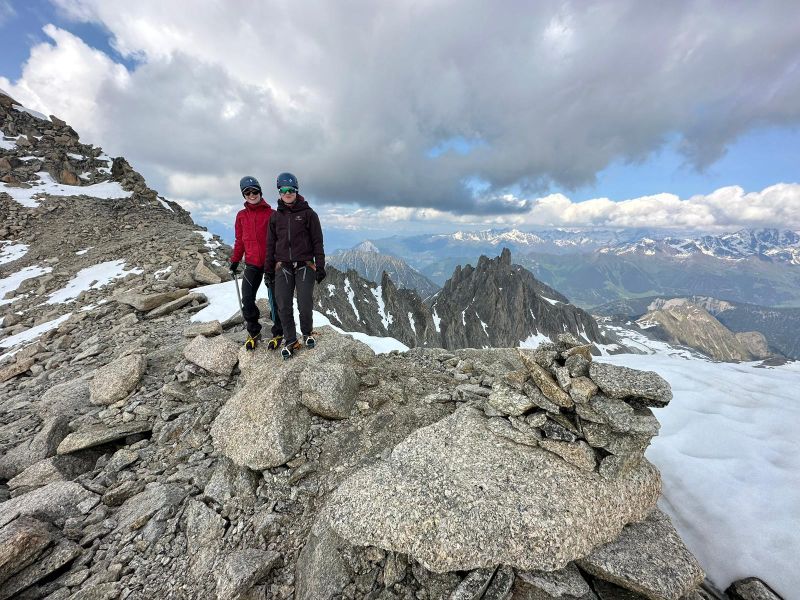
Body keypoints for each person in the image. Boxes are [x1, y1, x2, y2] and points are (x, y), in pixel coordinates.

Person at [265, 172, 326, 359]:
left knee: (304, 303)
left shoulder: (309, 214)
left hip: (304, 264)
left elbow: (317, 242)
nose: (287, 193)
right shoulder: (275, 217)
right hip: (282, 265)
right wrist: (268, 270)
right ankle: (290, 339)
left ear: (296, 190)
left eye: (291, 189)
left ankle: (307, 333)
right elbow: (270, 245)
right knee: (283, 305)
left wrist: (320, 266)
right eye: (283, 190)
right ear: (279, 192)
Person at [229, 175, 283, 350]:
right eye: (248, 193)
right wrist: (235, 260)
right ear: (244, 195)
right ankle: (253, 332)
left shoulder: (272, 214)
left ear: (260, 192)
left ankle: (278, 332)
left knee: (275, 300)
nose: (252, 195)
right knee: (247, 298)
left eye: (255, 191)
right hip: (252, 264)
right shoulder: (241, 216)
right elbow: (240, 241)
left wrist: (279, 261)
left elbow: (280, 240)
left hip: (270, 263)